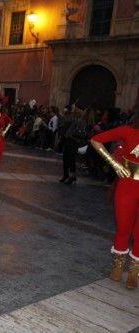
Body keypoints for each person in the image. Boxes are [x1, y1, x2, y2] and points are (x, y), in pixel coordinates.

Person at [90, 107, 139, 289]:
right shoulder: (127, 131)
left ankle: (135, 271)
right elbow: (96, 140)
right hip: (127, 187)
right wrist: (114, 164)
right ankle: (118, 266)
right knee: (124, 227)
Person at [60, 107, 87, 184]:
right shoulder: (74, 120)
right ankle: (66, 175)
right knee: (65, 158)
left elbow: (82, 134)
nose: (73, 114)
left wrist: (71, 110)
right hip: (68, 141)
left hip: (74, 141)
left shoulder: (80, 122)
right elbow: (66, 120)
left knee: (71, 160)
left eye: (75, 113)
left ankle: (72, 176)